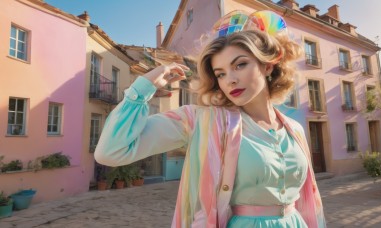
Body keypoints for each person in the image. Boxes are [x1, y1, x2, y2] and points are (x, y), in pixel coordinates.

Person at [95, 10, 326, 228]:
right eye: (221, 74)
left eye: (240, 65)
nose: (231, 80)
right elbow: (111, 151)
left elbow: (309, 203)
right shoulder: (201, 120)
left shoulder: (294, 129)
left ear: (267, 65)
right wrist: (143, 88)